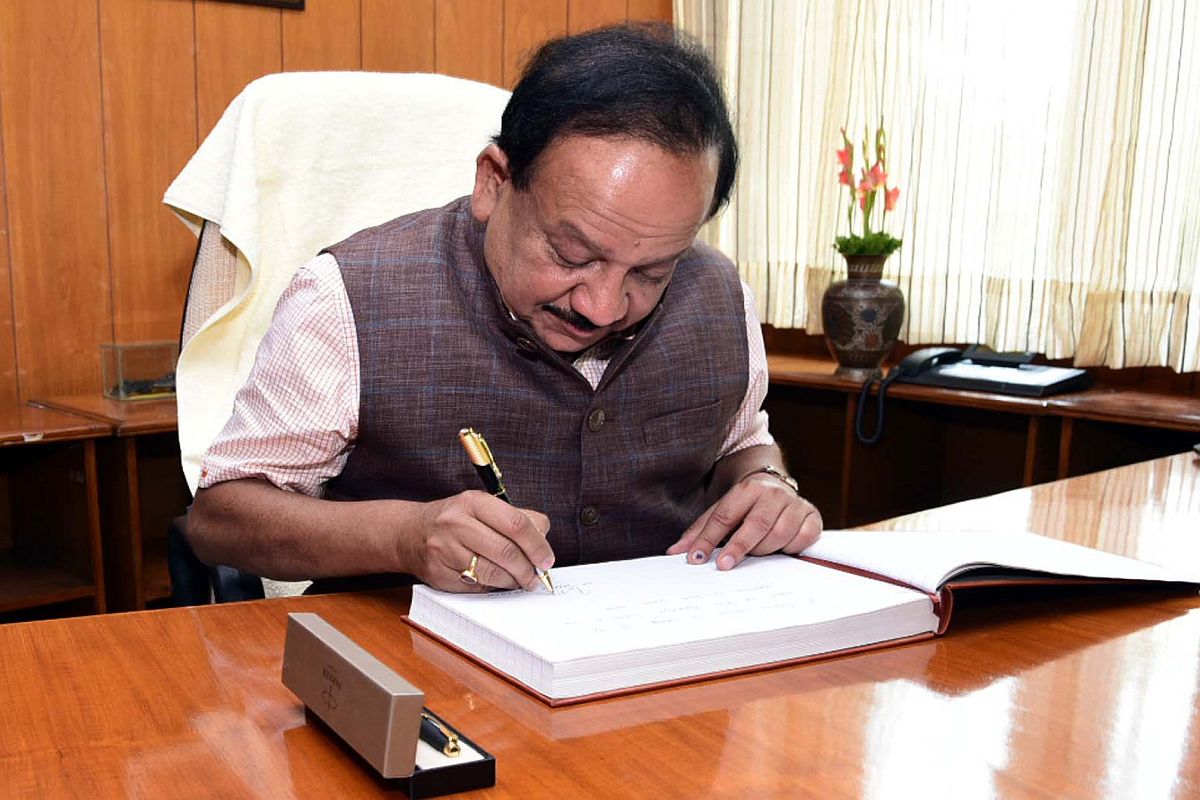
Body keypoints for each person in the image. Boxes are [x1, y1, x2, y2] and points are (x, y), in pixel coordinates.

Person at [188, 23, 822, 594]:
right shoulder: (346, 298)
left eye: (651, 272)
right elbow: (220, 520)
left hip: (658, 655)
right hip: (412, 660)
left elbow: (740, 446)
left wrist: (767, 485)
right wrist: (404, 536)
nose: (603, 307)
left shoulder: (717, 294)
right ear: (494, 182)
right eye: (572, 254)